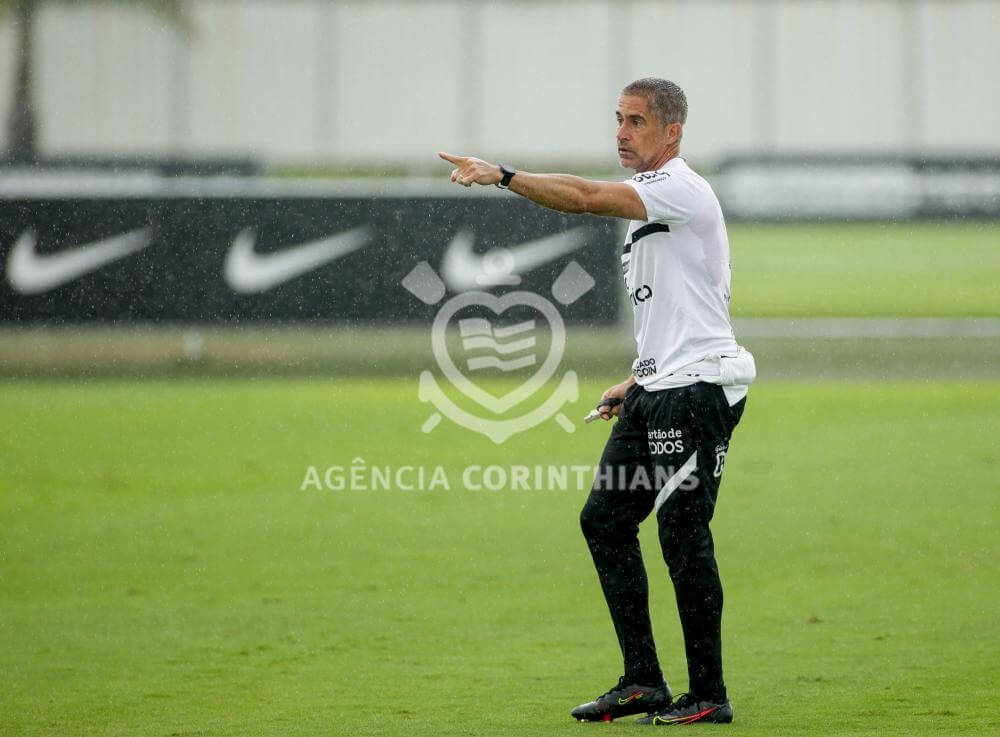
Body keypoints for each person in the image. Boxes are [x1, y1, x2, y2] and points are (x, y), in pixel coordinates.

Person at [438, 77, 754, 726]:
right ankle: (643, 679)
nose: (621, 131)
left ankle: (709, 692)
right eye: (618, 119)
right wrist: (637, 378)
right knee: (605, 519)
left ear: (672, 133)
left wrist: (503, 174)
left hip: (700, 391)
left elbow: (582, 196)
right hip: (660, 387)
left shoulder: (679, 189)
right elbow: (683, 310)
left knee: (681, 531)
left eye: (637, 121)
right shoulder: (650, 205)